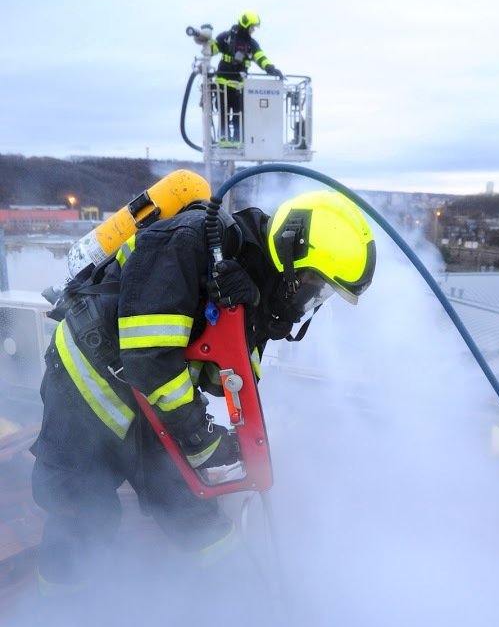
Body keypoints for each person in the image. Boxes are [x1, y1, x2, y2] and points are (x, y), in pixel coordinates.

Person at [31, 189, 376, 596]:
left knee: (191, 512)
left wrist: (251, 323)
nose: (309, 302)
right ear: (291, 257)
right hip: (88, 389)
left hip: (150, 403)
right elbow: (150, 360)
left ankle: (239, 608)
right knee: (83, 517)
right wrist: (200, 439)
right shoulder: (188, 242)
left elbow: (220, 377)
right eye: (313, 286)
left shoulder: (251, 277)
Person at [211, 10, 283, 143]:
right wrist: (205, 41)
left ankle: (238, 140)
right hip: (223, 84)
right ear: (245, 25)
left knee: (240, 114)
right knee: (224, 113)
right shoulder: (225, 38)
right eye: (252, 27)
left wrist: (270, 68)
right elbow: (211, 50)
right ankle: (225, 140)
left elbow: (260, 57)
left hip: (240, 85)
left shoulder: (252, 44)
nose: (253, 30)